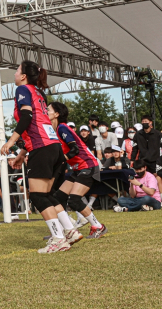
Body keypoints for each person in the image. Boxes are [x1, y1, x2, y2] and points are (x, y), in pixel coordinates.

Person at [0, 60, 68, 254]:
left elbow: (27, 118)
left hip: (43, 146)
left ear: (23, 76)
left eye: (16, 70)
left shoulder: (23, 90)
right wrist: (23, 152)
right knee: (45, 195)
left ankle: (59, 238)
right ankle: (69, 231)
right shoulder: (39, 92)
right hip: (52, 146)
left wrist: (11, 141)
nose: (14, 74)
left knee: (38, 196)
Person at [48, 102, 107, 243]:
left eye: (48, 109)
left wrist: (61, 160)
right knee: (57, 198)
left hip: (88, 166)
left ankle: (98, 226)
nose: (45, 111)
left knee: (74, 200)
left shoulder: (62, 128)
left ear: (57, 114)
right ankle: (66, 229)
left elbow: (74, 150)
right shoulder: (55, 130)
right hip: (79, 168)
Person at [130, 115, 162, 207]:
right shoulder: (138, 134)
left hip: (156, 161)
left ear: (151, 122)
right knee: (142, 179)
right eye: (142, 121)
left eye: (146, 121)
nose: (144, 123)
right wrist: (132, 160)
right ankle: (144, 200)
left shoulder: (158, 133)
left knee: (157, 179)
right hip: (143, 161)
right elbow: (134, 149)